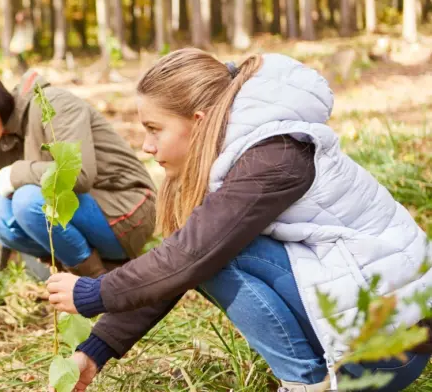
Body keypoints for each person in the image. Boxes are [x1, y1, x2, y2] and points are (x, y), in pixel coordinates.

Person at [46, 50, 432, 392]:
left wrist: (95, 293)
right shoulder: (240, 155)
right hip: (367, 328)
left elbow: (188, 257)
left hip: (389, 348)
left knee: (212, 253)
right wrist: (95, 350)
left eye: (154, 129)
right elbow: (180, 260)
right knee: (204, 249)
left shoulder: (274, 156)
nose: (147, 146)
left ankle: (305, 383)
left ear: (199, 121)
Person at [0, 65, 156, 281]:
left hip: (126, 211)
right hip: (83, 214)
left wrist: (16, 173)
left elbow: (77, 174)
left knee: (27, 200)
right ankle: (90, 274)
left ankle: (97, 282)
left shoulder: (53, 103)